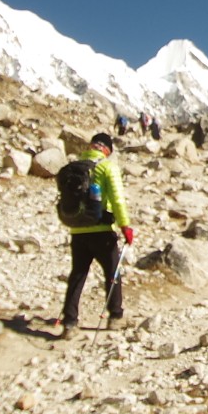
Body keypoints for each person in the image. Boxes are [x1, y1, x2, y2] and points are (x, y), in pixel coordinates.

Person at [60, 132, 132, 339]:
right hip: (102, 231)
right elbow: (117, 200)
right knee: (112, 272)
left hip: (77, 231)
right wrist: (125, 226)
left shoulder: (74, 167)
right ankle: (115, 317)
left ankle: (69, 322)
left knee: (78, 274)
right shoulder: (106, 167)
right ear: (108, 149)